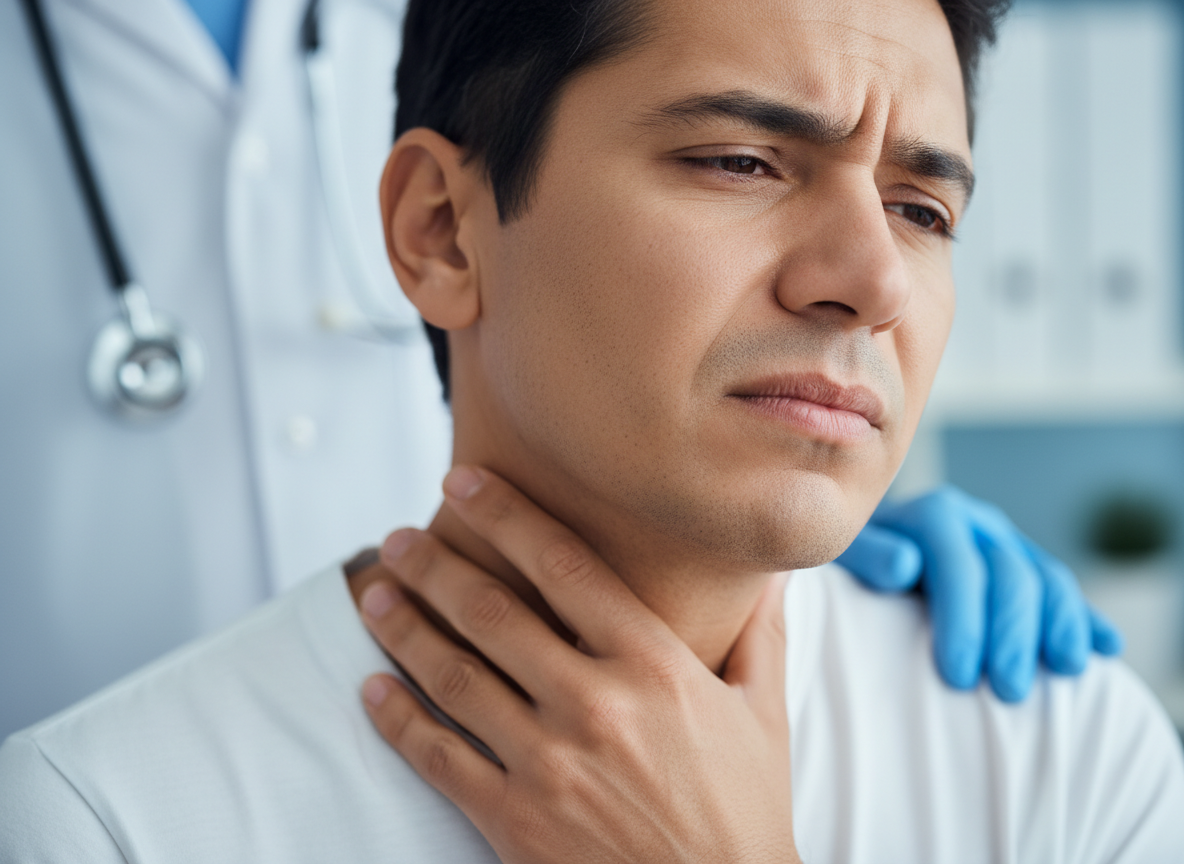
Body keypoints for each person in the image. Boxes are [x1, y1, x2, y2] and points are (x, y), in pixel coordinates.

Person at [1, 0, 1179, 861]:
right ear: (442, 234)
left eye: (920, 208)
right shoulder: (96, 821)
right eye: (739, 160)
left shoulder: (1064, 750)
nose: (872, 278)